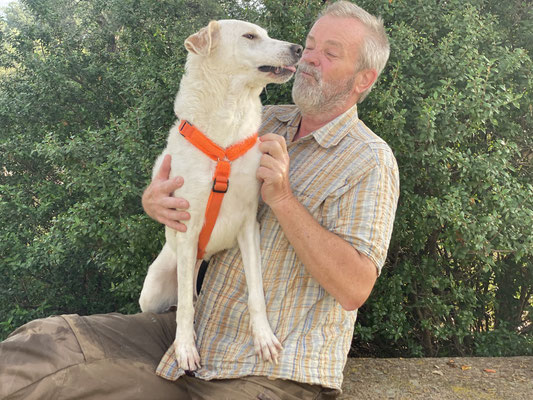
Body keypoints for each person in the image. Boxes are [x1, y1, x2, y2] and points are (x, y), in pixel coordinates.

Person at [0, 1, 399, 399]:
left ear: (363, 79)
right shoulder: (259, 119)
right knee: (45, 344)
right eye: (310, 45)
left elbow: (354, 287)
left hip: (272, 371)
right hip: (190, 332)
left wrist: (282, 198)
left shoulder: (368, 159)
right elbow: (185, 180)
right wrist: (156, 200)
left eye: (330, 53)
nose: (309, 57)